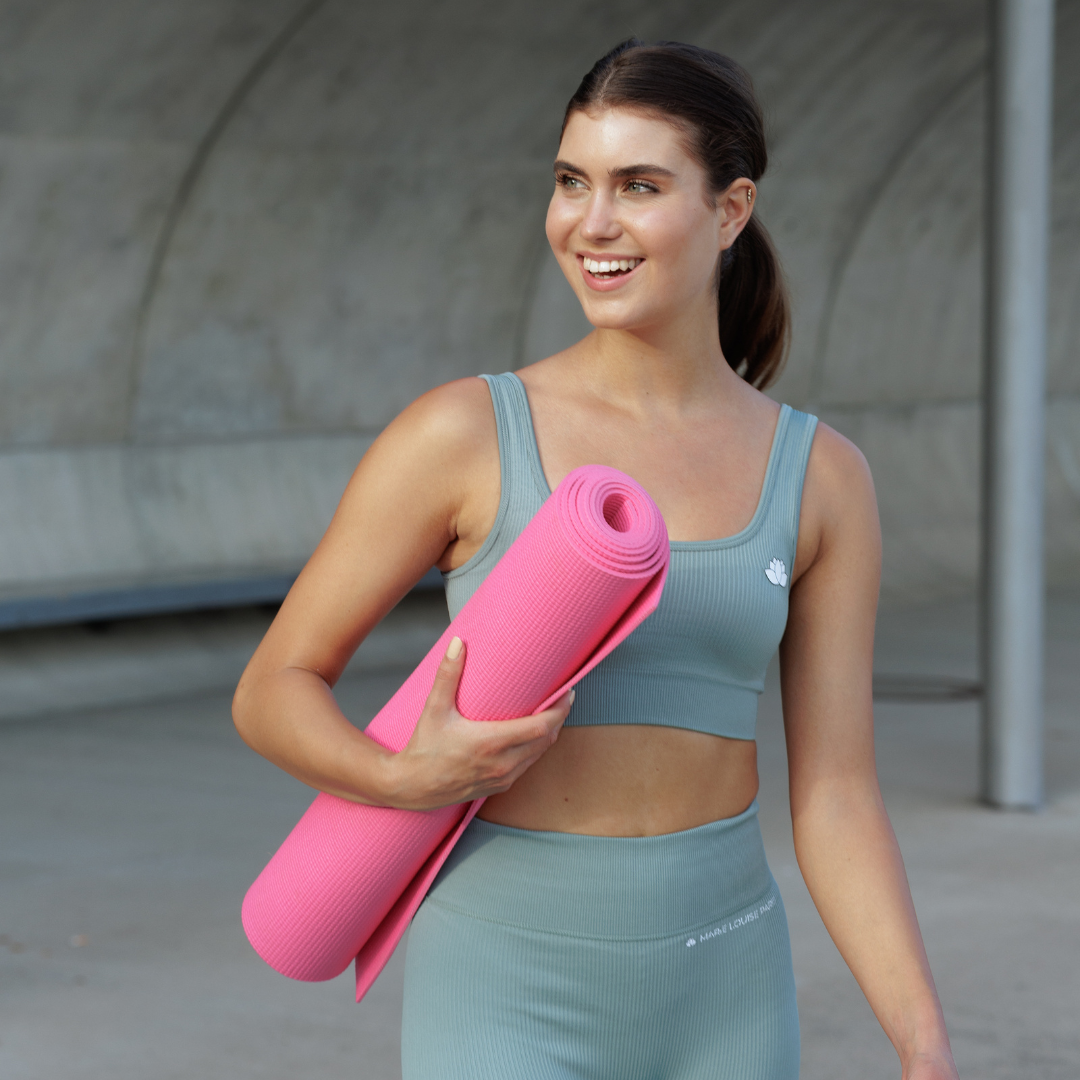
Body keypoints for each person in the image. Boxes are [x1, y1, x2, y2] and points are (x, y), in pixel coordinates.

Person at [233, 39, 960, 1080]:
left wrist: (922, 1042)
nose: (592, 222)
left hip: (728, 991)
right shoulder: (463, 435)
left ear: (731, 211)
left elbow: (837, 797)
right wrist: (398, 776)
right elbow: (273, 687)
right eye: (572, 181)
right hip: (502, 985)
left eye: (640, 186)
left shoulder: (823, 478)